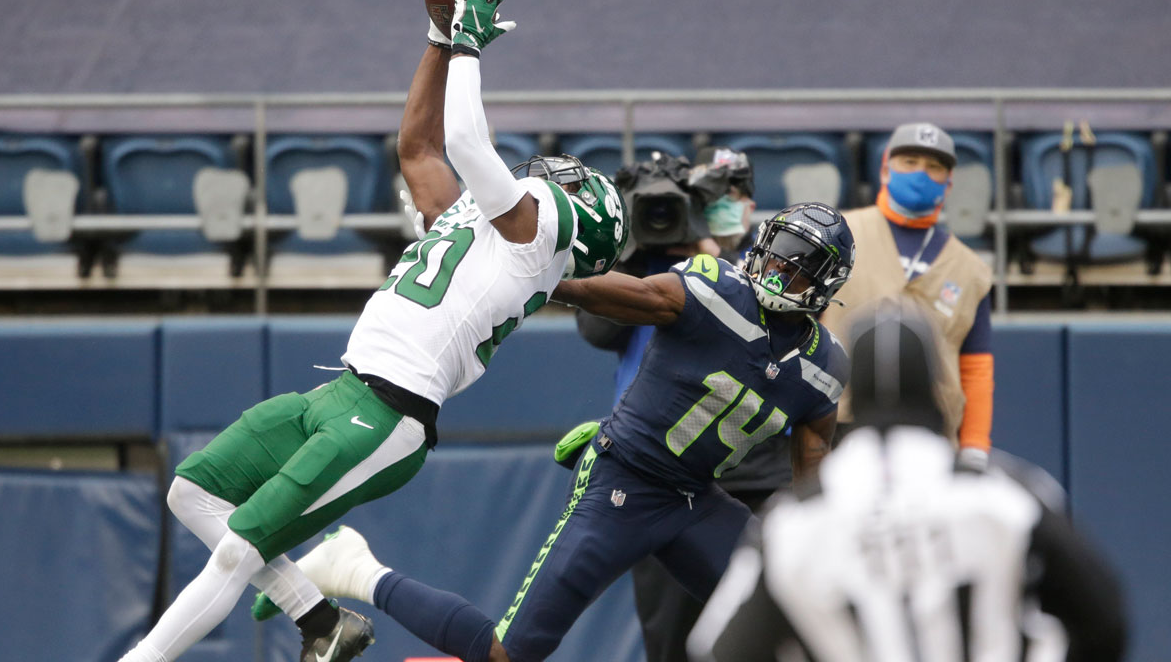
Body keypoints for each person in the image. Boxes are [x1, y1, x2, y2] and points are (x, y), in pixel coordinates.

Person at [115, 0, 629, 662]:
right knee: (191, 493)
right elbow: (418, 148)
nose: (553, 174)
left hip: (387, 417)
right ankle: (320, 620)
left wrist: (470, 48)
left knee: (237, 552)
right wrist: (438, 37)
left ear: (581, 219)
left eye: (572, 183)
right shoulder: (482, 225)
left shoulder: (538, 240)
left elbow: (468, 144)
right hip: (341, 390)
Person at [262, 201, 856, 662]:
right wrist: (523, 272)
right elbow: (621, 293)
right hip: (626, 481)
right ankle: (356, 570)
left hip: (697, 499)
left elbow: (814, 471)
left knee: (804, 617)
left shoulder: (825, 367)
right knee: (509, 653)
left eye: (800, 266)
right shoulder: (716, 290)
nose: (779, 268)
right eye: (778, 252)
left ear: (827, 284)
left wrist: (815, 543)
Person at [687, 298, 1128, 662]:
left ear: (852, 386)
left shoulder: (791, 523)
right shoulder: (1010, 496)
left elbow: (718, 649)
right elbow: (1106, 621)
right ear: (936, 385)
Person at [574, 148, 779, 662]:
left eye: (730, 197)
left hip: (757, 469)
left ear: (749, 205)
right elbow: (596, 328)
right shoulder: (648, 270)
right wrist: (631, 247)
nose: (721, 208)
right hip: (662, 470)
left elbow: (768, 332)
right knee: (670, 634)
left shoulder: (770, 264)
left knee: (763, 629)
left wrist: (711, 248)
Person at [820, 122, 995, 467]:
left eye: (934, 167)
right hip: (833, 426)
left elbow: (976, 368)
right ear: (885, 168)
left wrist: (974, 445)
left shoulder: (971, 269)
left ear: (949, 182)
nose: (921, 173)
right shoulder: (834, 233)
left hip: (930, 436)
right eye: (910, 161)